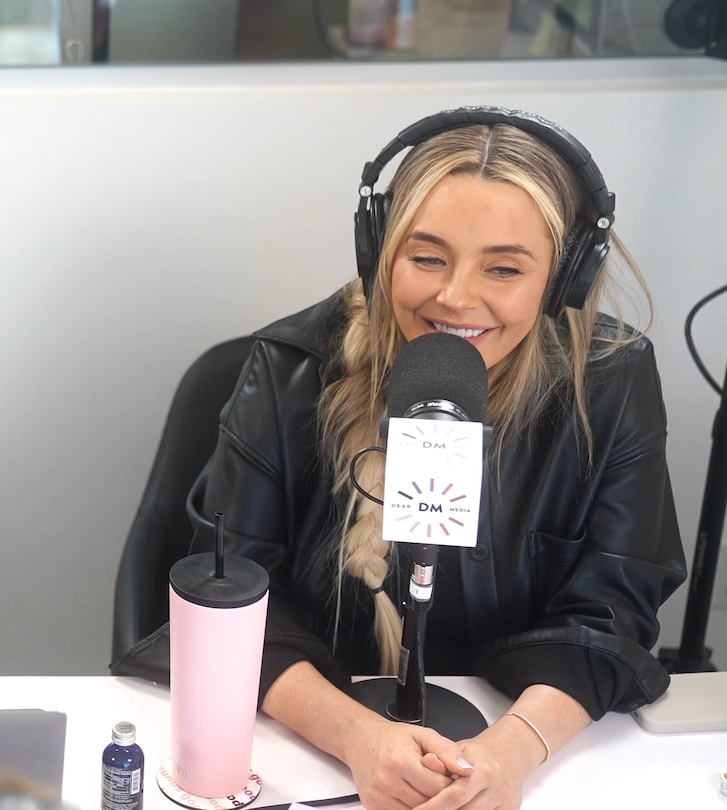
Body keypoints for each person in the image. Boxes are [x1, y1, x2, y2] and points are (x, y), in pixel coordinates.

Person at [187, 107, 685, 810]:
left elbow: (617, 607)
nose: (455, 297)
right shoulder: (287, 372)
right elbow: (229, 603)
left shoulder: (613, 382)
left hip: (521, 750)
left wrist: (507, 755)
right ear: (380, 251)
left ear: (564, 278)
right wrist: (358, 739)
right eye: (427, 258)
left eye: (504, 268)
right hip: (310, 758)